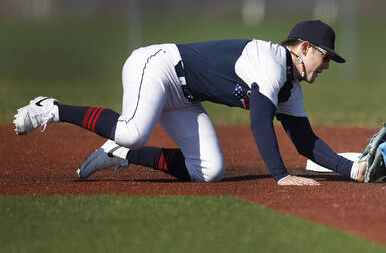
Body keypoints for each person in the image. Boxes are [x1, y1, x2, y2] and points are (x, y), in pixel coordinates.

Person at [13, 20, 363, 186]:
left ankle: (120, 154)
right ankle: (52, 108)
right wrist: (280, 176)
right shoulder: (271, 62)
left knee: (208, 172)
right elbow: (259, 122)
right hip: (159, 66)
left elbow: (305, 141)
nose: (327, 64)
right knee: (133, 130)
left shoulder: (290, 87)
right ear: (303, 48)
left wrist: (352, 170)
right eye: (325, 56)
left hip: (183, 95)